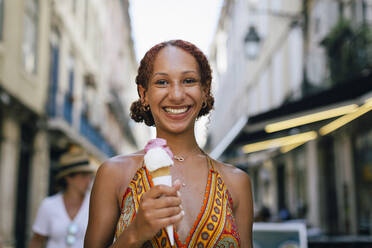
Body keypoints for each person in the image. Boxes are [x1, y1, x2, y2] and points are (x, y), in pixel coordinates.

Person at [84, 40, 254, 248]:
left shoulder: (237, 183)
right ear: (144, 94)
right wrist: (134, 234)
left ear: (204, 90)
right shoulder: (114, 174)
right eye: (162, 82)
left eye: (189, 80)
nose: (176, 95)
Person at [29, 148, 96, 248]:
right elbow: (37, 241)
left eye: (89, 176)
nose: (88, 180)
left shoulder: (94, 204)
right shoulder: (49, 205)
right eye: (83, 176)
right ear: (68, 178)